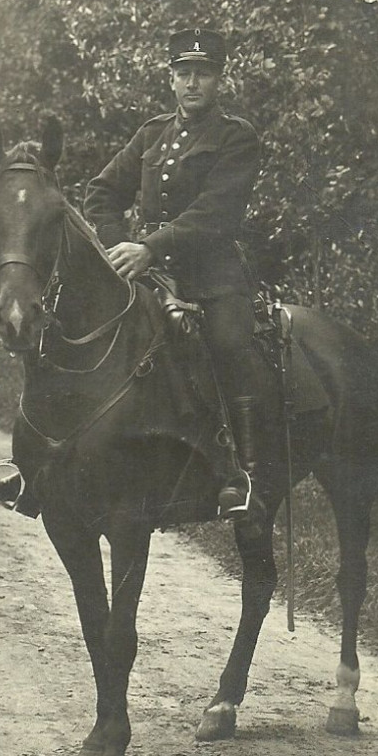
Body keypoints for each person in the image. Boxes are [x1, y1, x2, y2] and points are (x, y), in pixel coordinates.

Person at [84, 27, 269, 520]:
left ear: (218, 79)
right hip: (147, 274)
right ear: (170, 79)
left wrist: (149, 246)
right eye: (183, 73)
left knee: (228, 343)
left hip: (212, 275)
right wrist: (116, 247)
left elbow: (218, 212)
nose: (192, 84)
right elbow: (100, 193)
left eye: (203, 74)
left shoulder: (237, 136)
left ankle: (239, 473)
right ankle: (63, 456)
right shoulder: (151, 134)